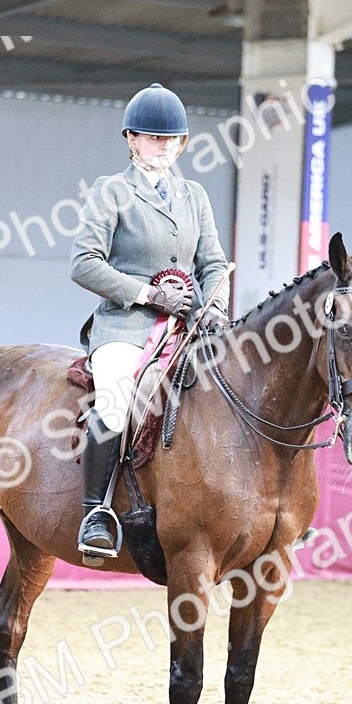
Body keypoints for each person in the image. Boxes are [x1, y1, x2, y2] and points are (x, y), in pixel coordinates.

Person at [70, 82, 231, 556]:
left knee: (238, 386)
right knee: (115, 403)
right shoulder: (112, 191)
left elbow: (213, 263)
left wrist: (214, 306)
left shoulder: (194, 195)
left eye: (171, 139)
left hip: (188, 325)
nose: (163, 147)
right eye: (153, 138)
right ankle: (96, 513)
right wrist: (148, 293)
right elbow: (84, 263)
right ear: (132, 139)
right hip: (126, 326)